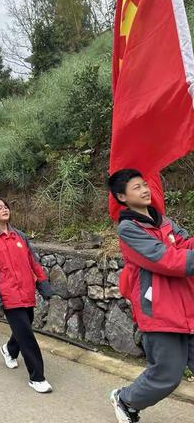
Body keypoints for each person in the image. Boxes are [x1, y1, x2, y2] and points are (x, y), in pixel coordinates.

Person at [107, 169, 194, 423]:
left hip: (187, 303)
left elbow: (185, 243)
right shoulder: (128, 229)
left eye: (144, 184)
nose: (145, 190)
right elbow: (166, 259)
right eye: (136, 187)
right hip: (159, 309)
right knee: (166, 375)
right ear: (122, 197)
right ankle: (125, 399)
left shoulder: (163, 221)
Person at [0, 196, 54, 394]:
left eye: (6, 207)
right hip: (9, 295)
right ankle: (37, 377)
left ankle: (9, 350)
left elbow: (33, 262)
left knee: (24, 326)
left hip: (26, 291)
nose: (4, 210)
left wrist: (43, 283)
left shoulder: (20, 236)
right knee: (27, 335)